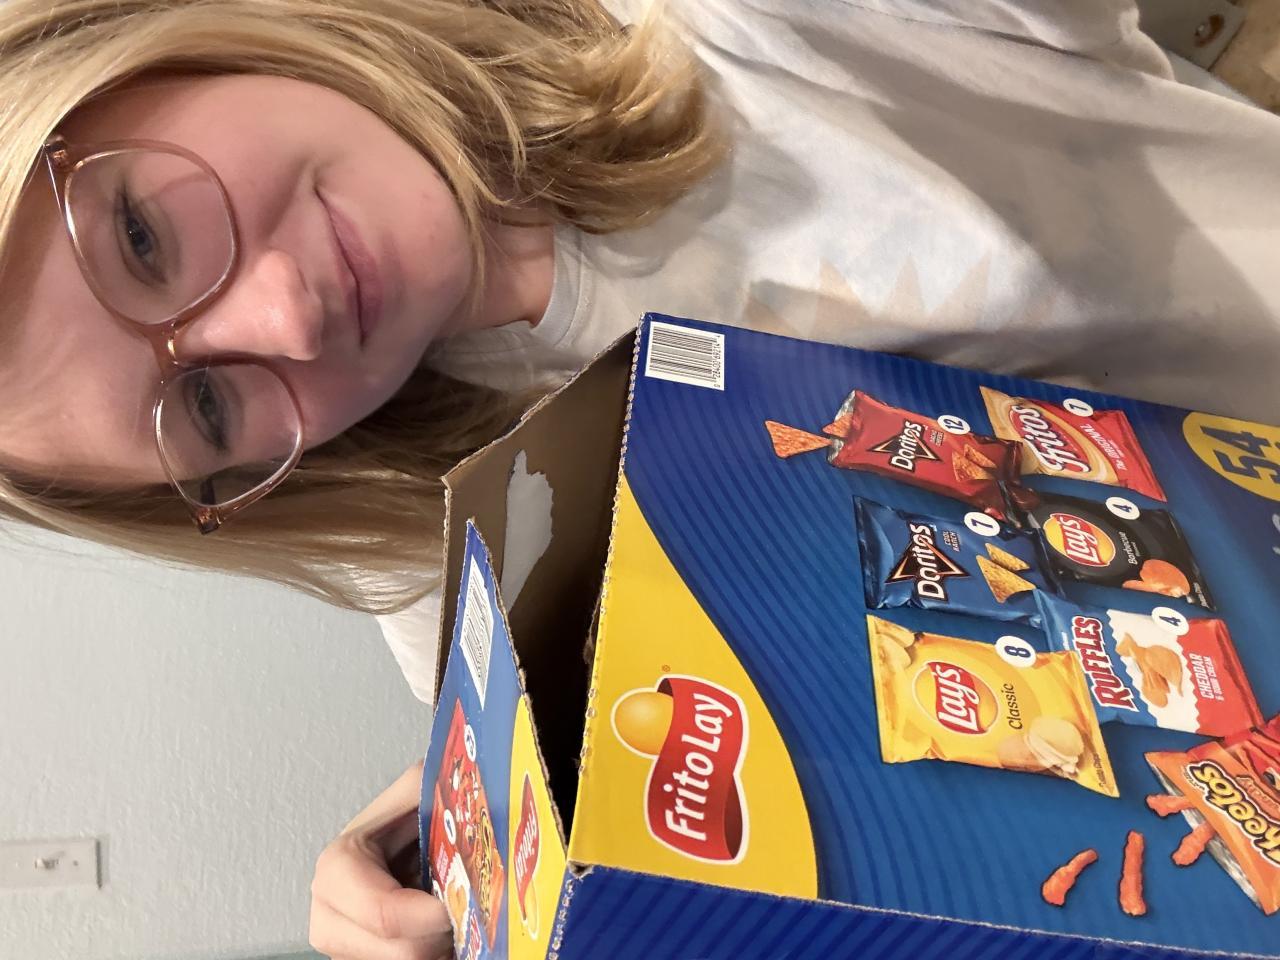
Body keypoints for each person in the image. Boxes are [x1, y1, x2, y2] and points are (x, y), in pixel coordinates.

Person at [1, 1, 1277, 958]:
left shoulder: (734, 33)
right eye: (208, 405)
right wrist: (418, 842)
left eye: (143, 235)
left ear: (140, 48)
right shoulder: (435, 533)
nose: (284, 316)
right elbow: (583, 719)